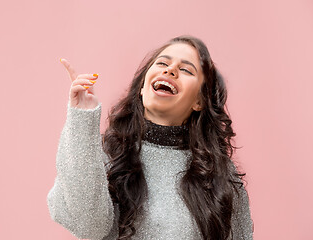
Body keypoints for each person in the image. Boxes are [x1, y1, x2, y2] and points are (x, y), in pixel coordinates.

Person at [47, 35, 254, 240]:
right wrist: (83, 118)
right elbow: (88, 226)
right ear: (142, 87)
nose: (170, 70)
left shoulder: (219, 172)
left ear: (199, 101)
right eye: (162, 63)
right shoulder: (104, 153)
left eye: (185, 70)